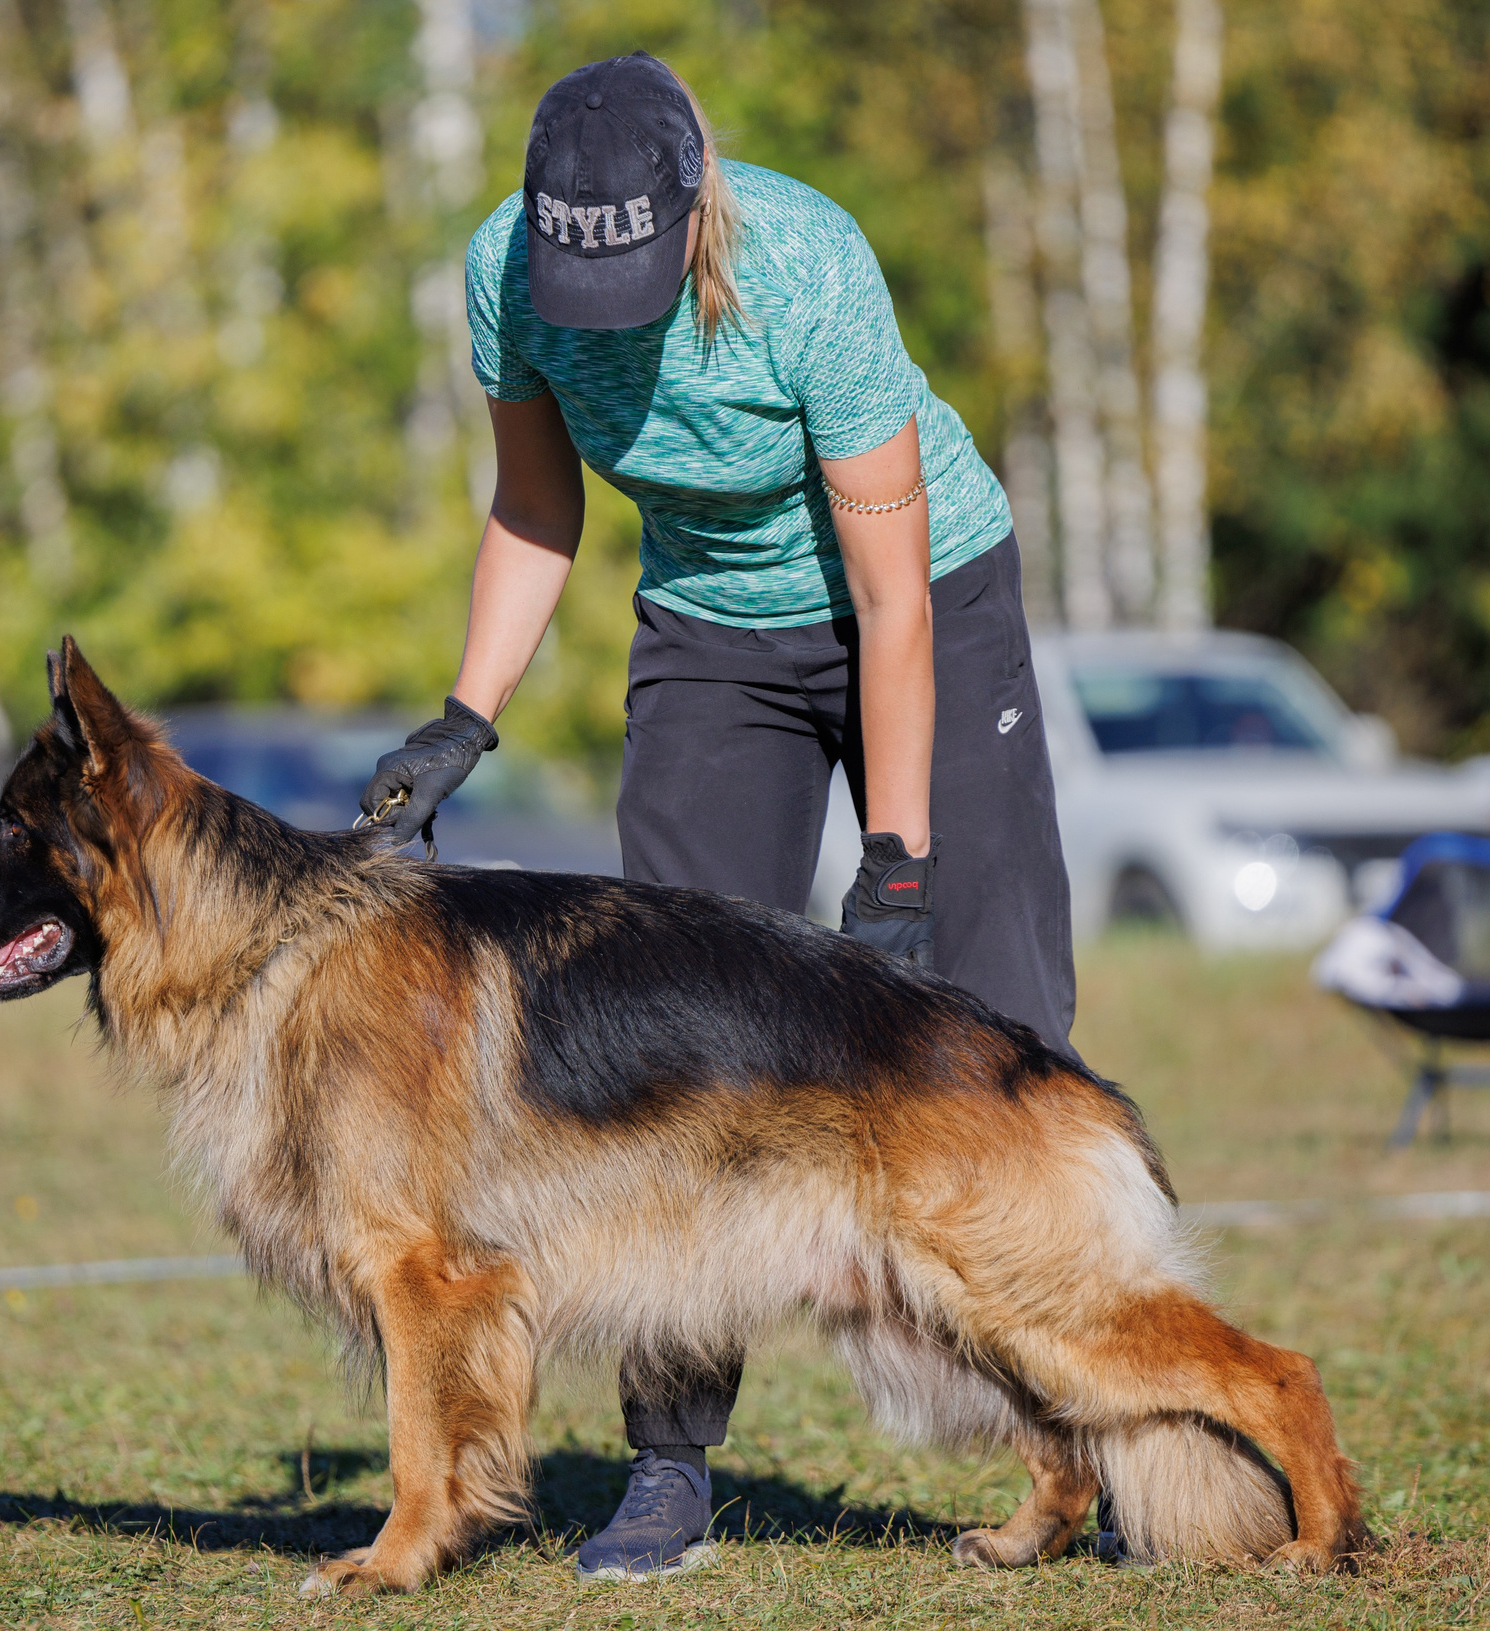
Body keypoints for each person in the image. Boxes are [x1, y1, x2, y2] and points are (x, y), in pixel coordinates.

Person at [362, 51, 1081, 1582]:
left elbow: (886, 599)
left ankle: (1087, 1444)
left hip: (924, 603)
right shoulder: (504, 268)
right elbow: (535, 505)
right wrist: (464, 718)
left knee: (997, 1016)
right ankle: (672, 1466)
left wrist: (896, 864)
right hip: (708, 631)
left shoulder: (809, 268)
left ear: (699, 206)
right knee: (675, 1043)